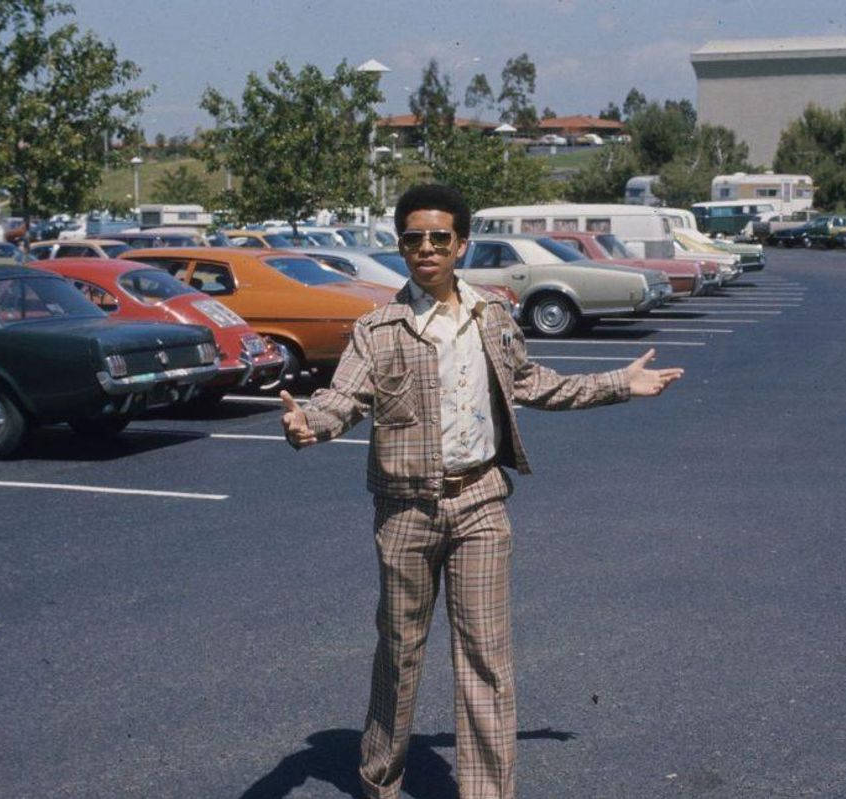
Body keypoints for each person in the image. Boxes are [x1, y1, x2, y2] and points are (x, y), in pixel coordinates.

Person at [281, 183, 683, 799]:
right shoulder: (378, 328)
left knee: (487, 659)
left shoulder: (491, 314)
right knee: (399, 652)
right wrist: (312, 423)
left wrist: (618, 383)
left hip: (480, 504)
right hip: (405, 511)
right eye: (414, 238)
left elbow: (531, 382)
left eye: (440, 237)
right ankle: (379, 779)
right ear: (401, 244)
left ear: (461, 244)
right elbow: (344, 397)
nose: (427, 249)